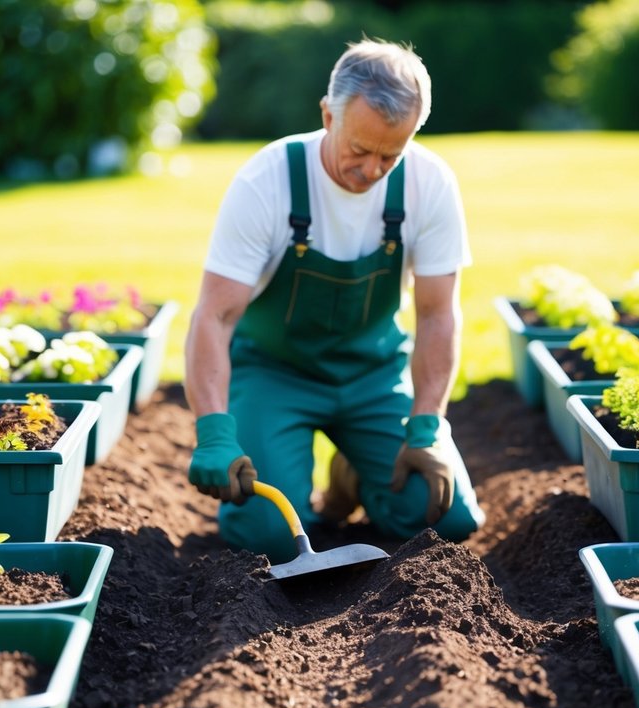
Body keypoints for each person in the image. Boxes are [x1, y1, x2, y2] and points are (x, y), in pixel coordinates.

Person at [184, 38, 484, 562]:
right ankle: (315, 461)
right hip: (276, 375)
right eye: (359, 150)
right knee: (266, 534)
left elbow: (437, 316)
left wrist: (427, 425)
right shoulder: (268, 179)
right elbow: (215, 314)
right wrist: (213, 431)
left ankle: (356, 470)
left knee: (444, 516)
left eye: (391, 154)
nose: (371, 170)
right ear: (328, 115)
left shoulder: (429, 183)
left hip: (372, 374)